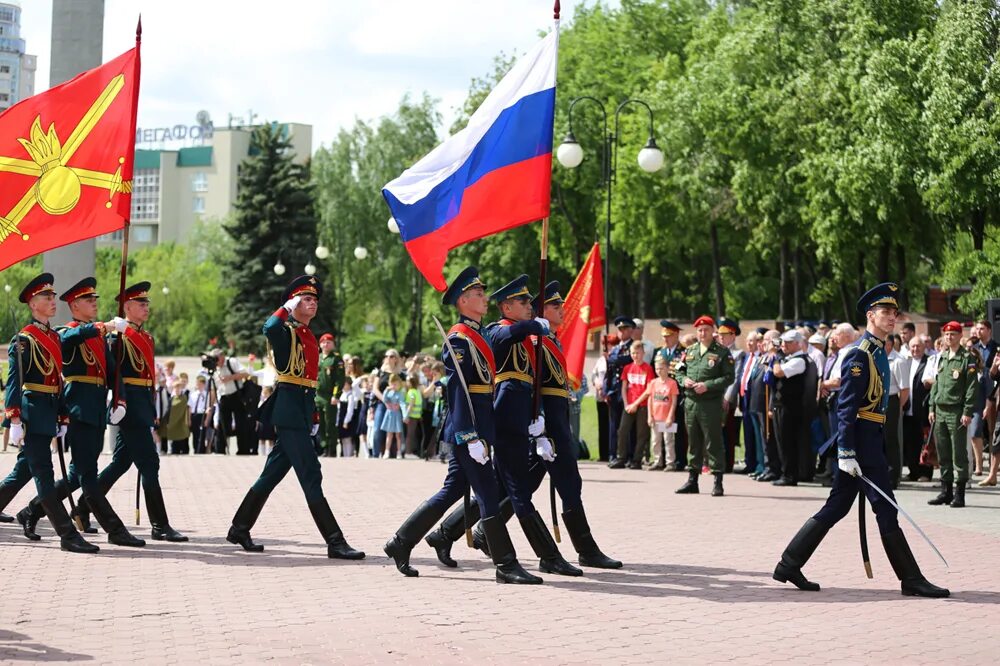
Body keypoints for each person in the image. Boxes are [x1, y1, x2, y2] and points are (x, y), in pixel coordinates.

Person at [773, 282, 948, 598]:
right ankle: (911, 578)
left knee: (837, 506)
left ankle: (789, 563)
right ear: (871, 315)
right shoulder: (860, 355)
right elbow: (846, 407)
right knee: (886, 508)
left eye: (894, 312)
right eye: (885, 311)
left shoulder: (879, 352)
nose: (892, 317)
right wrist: (847, 451)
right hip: (861, 442)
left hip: (869, 438)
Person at [384, 266, 540, 583]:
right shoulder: (459, 340)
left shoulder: (476, 336)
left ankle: (400, 542)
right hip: (468, 430)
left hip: (478, 427)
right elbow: (458, 392)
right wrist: (470, 436)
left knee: (452, 490)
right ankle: (506, 565)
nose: (485, 299)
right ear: (463, 301)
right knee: (486, 493)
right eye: (479, 295)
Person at [226, 275, 364, 560]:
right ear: (293, 303)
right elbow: (269, 327)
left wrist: (312, 413)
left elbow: (309, 381)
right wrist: (285, 308)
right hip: (288, 411)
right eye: (305, 299)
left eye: (314, 299)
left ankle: (239, 527)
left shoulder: (308, 335)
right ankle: (335, 541)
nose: (312, 303)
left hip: (300, 410)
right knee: (311, 474)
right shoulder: (286, 331)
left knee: (271, 475)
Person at [7, 275, 131, 552]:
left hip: (50, 413)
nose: (52, 302)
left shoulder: (51, 336)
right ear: (32, 304)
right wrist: (13, 418)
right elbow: (15, 380)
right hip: (31, 412)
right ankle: (67, 535)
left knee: (42, 474)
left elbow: (57, 381)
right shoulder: (26, 338)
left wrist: (62, 415)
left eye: (53, 297)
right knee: (44, 476)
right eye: (46, 298)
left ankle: (40, 518)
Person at [87, 281, 188, 542]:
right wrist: (119, 401)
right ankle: (159, 525)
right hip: (129, 406)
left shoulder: (146, 337)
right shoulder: (118, 336)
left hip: (143, 404)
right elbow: (114, 373)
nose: (146, 307)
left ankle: (81, 507)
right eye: (140, 304)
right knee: (149, 463)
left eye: (147, 303)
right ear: (127, 307)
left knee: (121, 463)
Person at [674, 316, 736, 497]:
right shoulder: (690, 350)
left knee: (713, 441)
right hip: (691, 402)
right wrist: (683, 379)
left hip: (711, 403)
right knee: (693, 441)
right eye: (700, 330)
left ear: (713, 331)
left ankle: (718, 481)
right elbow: (678, 370)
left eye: (706, 330)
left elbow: (729, 377)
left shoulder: (722, 353)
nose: (703, 333)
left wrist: (707, 385)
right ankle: (692, 480)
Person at [927, 320, 978, 508]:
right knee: (943, 452)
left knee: (959, 454)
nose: (949, 337)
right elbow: (937, 384)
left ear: (960, 336)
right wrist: (932, 407)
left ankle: (960, 494)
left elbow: (972, 388)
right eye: (947, 334)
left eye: (953, 334)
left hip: (956, 411)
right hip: (940, 410)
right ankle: (945, 491)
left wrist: (967, 411)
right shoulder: (942, 357)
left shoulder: (967, 358)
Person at [768, 330, 809, 486]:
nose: (783, 345)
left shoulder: (799, 360)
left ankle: (790, 475)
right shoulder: (788, 359)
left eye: (787, 342)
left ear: (797, 344)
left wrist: (776, 358)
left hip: (791, 407)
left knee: (788, 441)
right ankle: (785, 472)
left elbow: (778, 372)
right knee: (781, 441)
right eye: (782, 342)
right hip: (781, 405)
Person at [609, 341, 654, 469]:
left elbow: (648, 390)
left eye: (638, 353)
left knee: (642, 433)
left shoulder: (648, 369)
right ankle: (621, 457)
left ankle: (637, 460)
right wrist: (627, 403)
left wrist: (635, 403)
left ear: (643, 353)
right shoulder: (627, 368)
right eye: (633, 353)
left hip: (642, 405)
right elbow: (624, 388)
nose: (636, 355)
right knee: (622, 430)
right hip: (629, 405)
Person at [655, 320, 687, 470]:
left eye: (668, 336)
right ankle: (661, 460)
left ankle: (679, 460)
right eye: (664, 336)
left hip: (677, 397)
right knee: (661, 429)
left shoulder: (683, 352)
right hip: (661, 398)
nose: (665, 339)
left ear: (676, 335)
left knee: (678, 429)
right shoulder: (659, 352)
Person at [604, 317, 635, 464]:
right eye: (620, 329)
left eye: (625, 329)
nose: (622, 332)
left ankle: (629, 455)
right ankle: (613, 454)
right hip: (614, 391)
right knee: (613, 425)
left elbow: (627, 360)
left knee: (627, 425)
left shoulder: (634, 347)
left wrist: (613, 359)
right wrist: (606, 390)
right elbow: (608, 371)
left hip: (629, 391)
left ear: (631, 330)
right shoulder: (616, 348)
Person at [215, 349, 255, 455]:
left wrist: (230, 378)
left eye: (216, 358)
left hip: (236, 395)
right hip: (223, 396)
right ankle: (220, 450)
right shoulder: (214, 367)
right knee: (222, 424)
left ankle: (243, 450)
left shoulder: (231, 361)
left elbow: (246, 373)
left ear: (222, 356)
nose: (216, 361)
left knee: (241, 423)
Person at [645, 356, 679, 471]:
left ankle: (670, 462)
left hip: (667, 418)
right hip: (656, 417)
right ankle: (657, 461)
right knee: (655, 441)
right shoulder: (653, 383)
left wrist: (670, 416)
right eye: (657, 369)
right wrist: (650, 416)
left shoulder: (672, 383)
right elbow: (650, 399)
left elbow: (674, 401)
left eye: (662, 368)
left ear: (668, 369)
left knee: (668, 440)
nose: (659, 371)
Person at [316, 333, 344, 456]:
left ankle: (331, 449)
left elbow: (340, 379)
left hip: (329, 396)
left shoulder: (336, 359)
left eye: (329, 342)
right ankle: (323, 446)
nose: (326, 344)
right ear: (320, 344)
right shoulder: (317, 357)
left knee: (329, 423)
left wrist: (336, 395)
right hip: (317, 395)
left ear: (333, 344)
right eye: (323, 342)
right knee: (319, 422)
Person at [379, 374, 405, 458]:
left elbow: (402, 404)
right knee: (389, 434)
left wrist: (405, 415)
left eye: (396, 384)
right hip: (389, 414)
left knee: (398, 435)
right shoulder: (389, 392)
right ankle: (387, 451)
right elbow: (384, 399)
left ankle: (399, 452)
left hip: (396, 414)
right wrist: (386, 390)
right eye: (392, 384)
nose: (394, 386)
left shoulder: (400, 393)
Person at [163, 379, 191, 455]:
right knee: (174, 444)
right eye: (175, 388)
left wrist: (188, 420)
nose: (177, 389)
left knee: (183, 441)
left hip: (182, 423)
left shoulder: (184, 398)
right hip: (173, 424)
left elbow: (188, 409)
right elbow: (169, 411)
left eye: (178, 387)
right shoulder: (172, 399)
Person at [189, 375, 211, 454]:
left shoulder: (207, 395)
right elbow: (190, 407)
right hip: (194, 415)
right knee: (195, 434)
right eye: (198, 384)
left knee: (202, 435)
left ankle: (201, 450)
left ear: (204, 385)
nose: (199, 386)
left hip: (202, 415)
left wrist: (207, 420)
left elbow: (209, 408)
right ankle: (195, 449)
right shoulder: (193, 394)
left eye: (201, 384)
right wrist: (189, 419)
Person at [404, 374, 423, 457]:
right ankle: (410, 451)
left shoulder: (411, 392)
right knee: (412, 434)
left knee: (409, 435)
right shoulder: (417, 391)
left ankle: (408, 452)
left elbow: (410, 405)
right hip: (416, 416)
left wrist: (406, 416)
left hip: (411, 416)